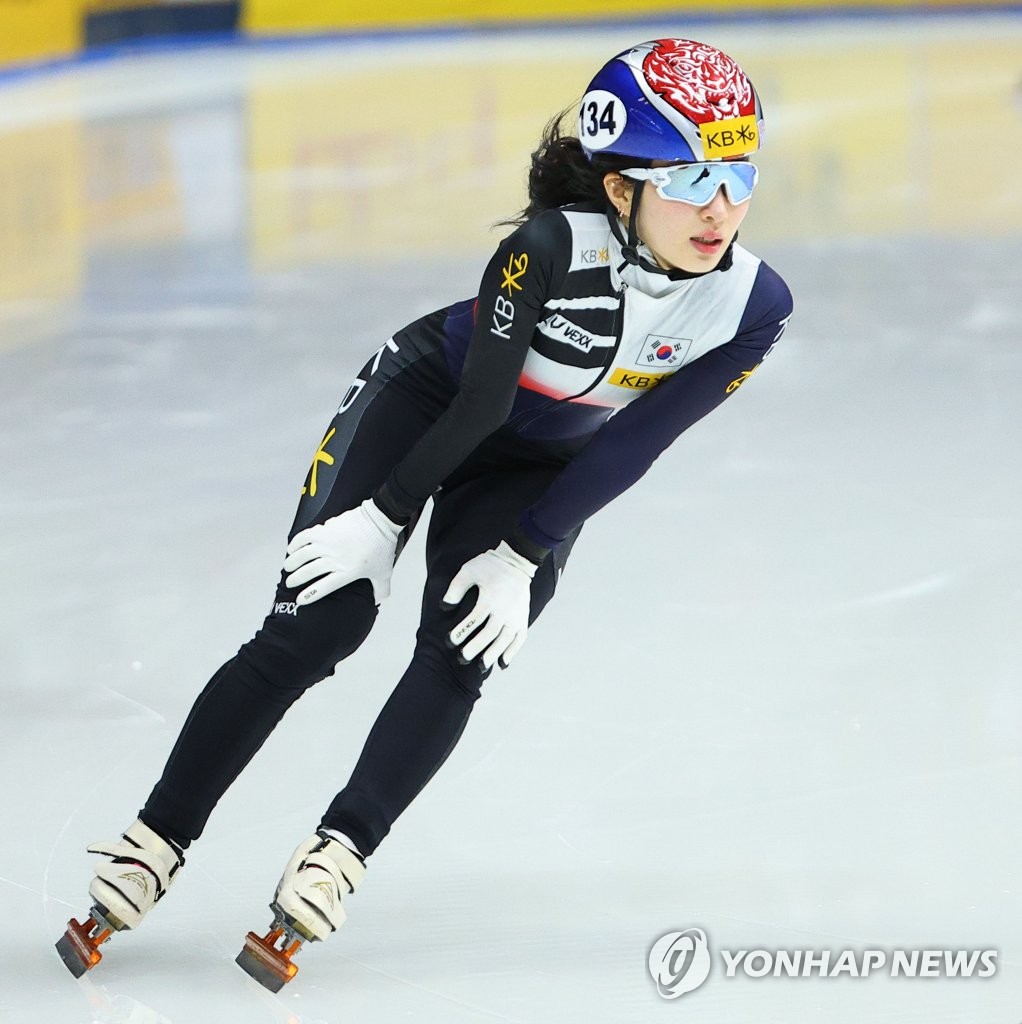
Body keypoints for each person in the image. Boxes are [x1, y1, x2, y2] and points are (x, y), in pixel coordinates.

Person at [75, 37, 792, 970]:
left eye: (737, 176)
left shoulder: (752, 304)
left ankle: (338, 853)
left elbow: (634, 442)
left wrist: (528, 549)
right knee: (312, 628)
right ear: (621, 188)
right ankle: (155, 839)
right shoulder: (542, 248)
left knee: (464, 645)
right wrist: (380, 520)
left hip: (534, 468)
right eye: (692, 178)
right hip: (425, 407)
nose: (721, 210)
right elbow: (479, 404)